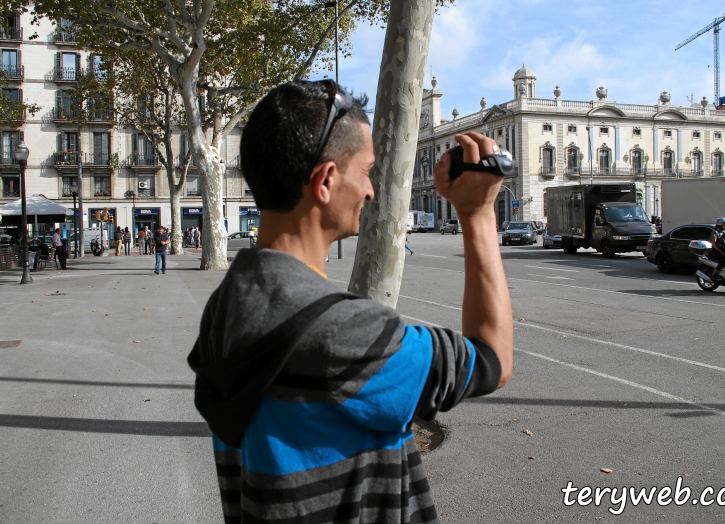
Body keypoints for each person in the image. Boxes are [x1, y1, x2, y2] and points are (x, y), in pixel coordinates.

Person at [187, 80, 513, 523]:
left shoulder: (226, 304)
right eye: (365, 171)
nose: (372, 190)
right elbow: (491, 359)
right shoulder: (344, 332)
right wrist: (478, 214)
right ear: (324, 181)